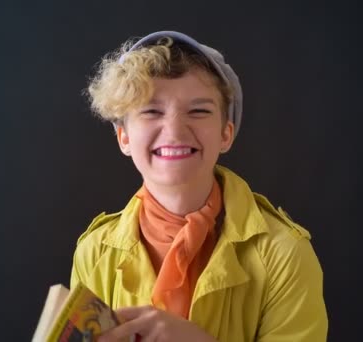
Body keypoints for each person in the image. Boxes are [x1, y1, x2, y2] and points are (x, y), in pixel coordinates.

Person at [70, 30, 328, 341]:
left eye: (199, 111)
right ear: (124, 137)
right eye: (151, 111)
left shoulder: (285, 254)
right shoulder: (93, 252)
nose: (175, 131)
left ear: (225, 134)